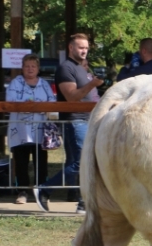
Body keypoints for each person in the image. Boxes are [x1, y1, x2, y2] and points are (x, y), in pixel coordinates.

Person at [35, 34, 105, 214]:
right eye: (80, 47)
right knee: (83, 162)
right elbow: (72, 97)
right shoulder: (65, 68)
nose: (84, 51)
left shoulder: (81, 68)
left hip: (86, 120)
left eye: (86, 48)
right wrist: (93, 84)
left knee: (79, 161)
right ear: (71, 48)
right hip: (74, 120)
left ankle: (82, 202)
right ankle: (45, 189)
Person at [7, 54, 56, 204]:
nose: (30, 69)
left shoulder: (44, 84)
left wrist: (39, 107)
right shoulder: (16, 83)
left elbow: (52, 102)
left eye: (33, 66)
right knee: (21, 163)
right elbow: (10, 101)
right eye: (27, 66)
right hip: (19, 130)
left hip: (40, 131)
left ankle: (42, 192)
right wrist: (30, 105)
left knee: (40, 163)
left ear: (38, 69)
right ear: (22, 68)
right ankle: (22, 192)